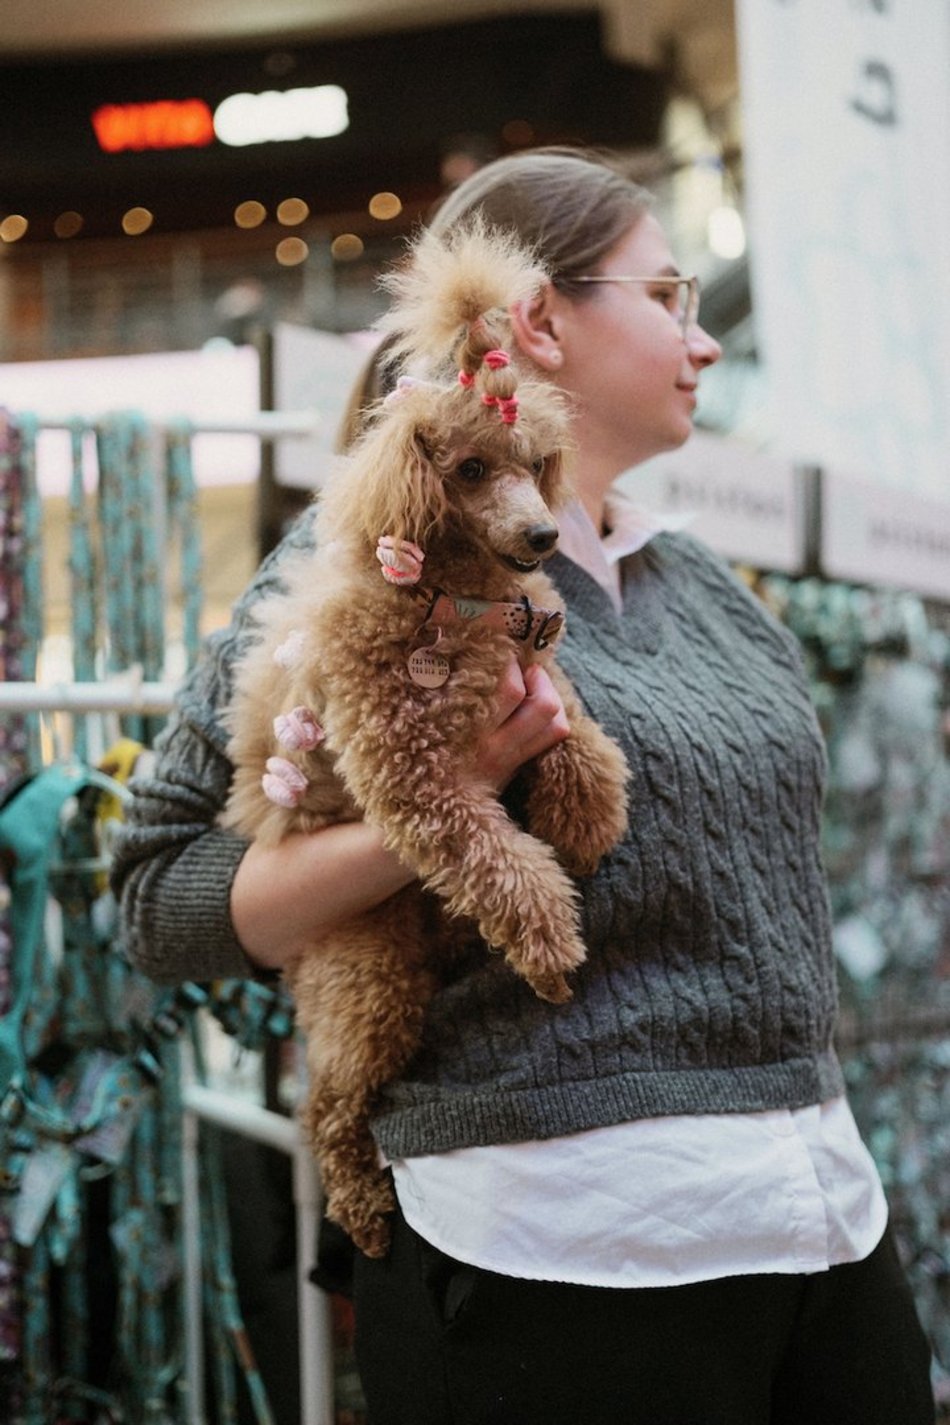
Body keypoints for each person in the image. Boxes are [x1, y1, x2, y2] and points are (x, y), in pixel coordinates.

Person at [112, 147, 935, 1424]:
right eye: (667, 296)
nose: (701, 341)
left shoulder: (707, 589)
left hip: (815, 1207)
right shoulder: (367, 576)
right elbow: (160, 900)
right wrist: (448, 801)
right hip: (555, 1242)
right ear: (540, 321)